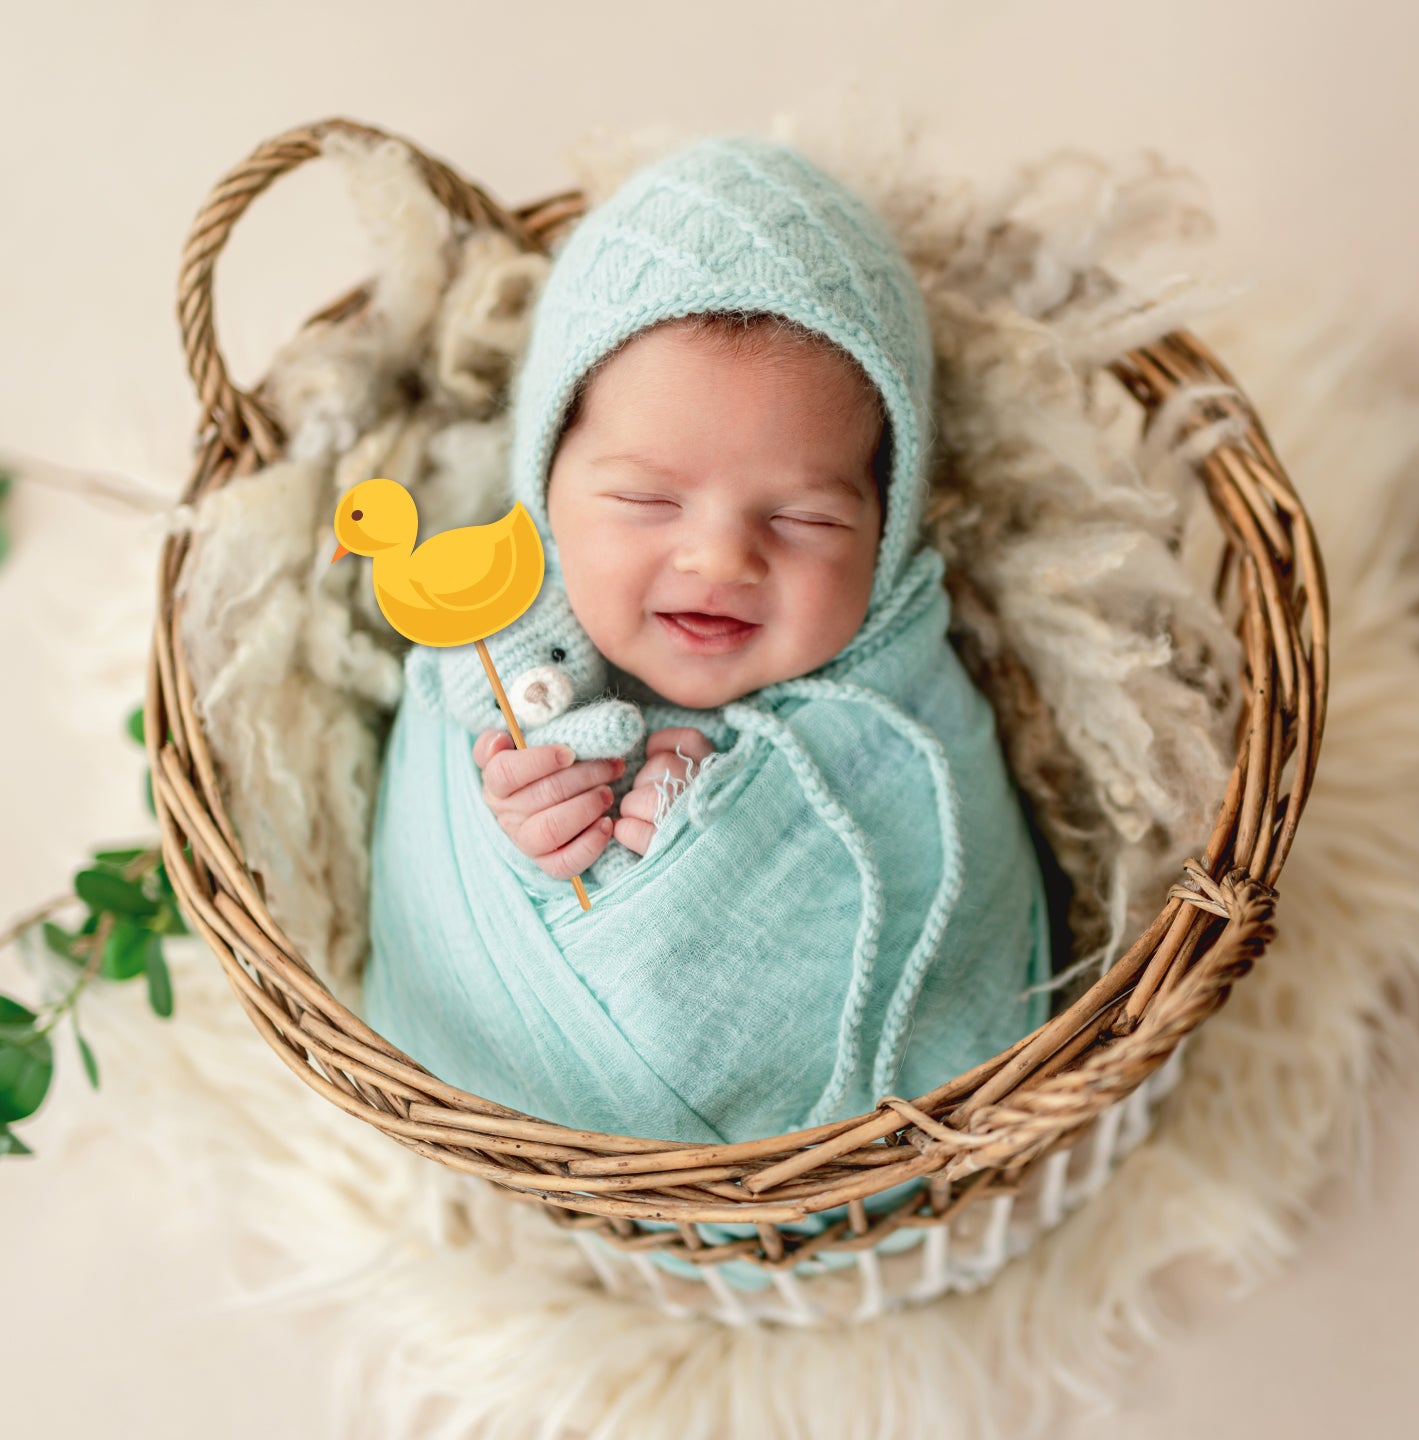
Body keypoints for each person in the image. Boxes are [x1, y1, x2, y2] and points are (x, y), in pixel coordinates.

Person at [363, 137, 1052, 1281]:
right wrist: (537, 835)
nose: (720, 556)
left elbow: (960, 903)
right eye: (644, 498)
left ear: (891, 521)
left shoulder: (907, 706)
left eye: (807, 520)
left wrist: (721, 846)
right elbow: (445, 853)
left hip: (883, 1212)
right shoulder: (499, 642)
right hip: (546, 1165)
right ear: (543, 486)